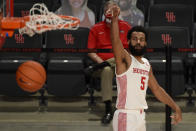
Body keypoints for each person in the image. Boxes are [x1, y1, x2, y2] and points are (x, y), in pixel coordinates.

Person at [109, 5, 182, 131]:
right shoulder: (125, 59)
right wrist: (114, 19)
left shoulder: (146, 64)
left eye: (142, 40)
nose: (138, 42)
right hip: (126, 115)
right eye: (135, 39)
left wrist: (175, 106)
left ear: (146, 43)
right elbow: (115, 41)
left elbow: (157, 90)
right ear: (129, 41)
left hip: (140, 116)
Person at [87, 1, 131, 124]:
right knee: (106, 70)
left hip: (123, 64)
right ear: (105, 11)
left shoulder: (126, 27)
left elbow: (129, 52)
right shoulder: (96, 29)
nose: (111, 11)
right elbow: (91, 51)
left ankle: (102, 65)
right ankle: (108, 109)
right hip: (103, 65)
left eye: (114, 9)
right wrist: (102, 62)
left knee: (120, 57)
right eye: (109, 9)